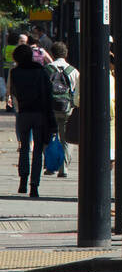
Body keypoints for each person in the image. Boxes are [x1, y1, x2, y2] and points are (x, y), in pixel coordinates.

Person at [8, 43, 56, 199]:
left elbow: (13, 92)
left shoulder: (15, 73)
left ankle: (23, 179)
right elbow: (48, 95)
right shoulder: (41, 72)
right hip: (40, 114)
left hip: (23, 113)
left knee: (24, 148)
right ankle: (34, 185)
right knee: (37, 151)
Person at [46, 42, 79, 179]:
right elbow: (77, 91)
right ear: (66, 54)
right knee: (66, 139)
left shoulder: (46, 69)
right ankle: (63, 168)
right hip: (67, 108)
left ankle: (51, 166)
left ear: (52, 54)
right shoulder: (73, 71)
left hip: (50, 108)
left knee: (50, 136)